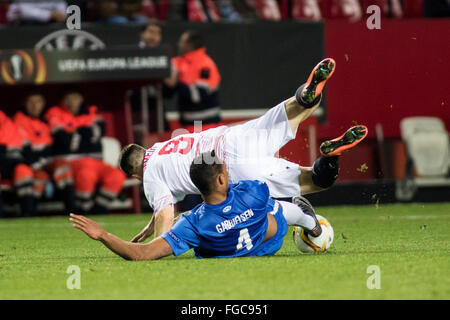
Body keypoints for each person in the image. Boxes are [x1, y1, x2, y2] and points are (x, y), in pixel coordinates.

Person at [119, 58, 368, 241]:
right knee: (300, 109)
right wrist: (150, 225)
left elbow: (165, 214)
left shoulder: (150, 175)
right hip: (235, 138)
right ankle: (306, 93)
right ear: (143, 150)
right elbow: (161, 204)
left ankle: (330, 156)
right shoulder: (161, 148)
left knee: (313, 181)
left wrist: (152, 246)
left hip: (231, 170)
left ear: (135, 174)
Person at [69, 151, 322, 260]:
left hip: (226, 249)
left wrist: (102, 235)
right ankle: (311, 223)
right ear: (222, 178)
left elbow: (141, 254)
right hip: (268, 244)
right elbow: (260, 187)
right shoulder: (252, 191)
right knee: (274, 209)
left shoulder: (191, 224)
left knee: (200, 225)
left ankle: (306, 220)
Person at [44, 88, 126, 214]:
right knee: (87, 174)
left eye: (75, 97)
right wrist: (87, 133)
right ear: (63, 100)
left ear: (81, 99)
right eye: (68, 98)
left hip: (95, 161)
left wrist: (75, 134)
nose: (71, 101)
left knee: (117, 175)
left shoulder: (92, 112)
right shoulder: (55, 113)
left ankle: (99, 210)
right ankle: (83, 210)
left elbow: (100, 131)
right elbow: (63, 139)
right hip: (71, 161)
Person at [14, 91, 76, 214]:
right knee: (36, 176)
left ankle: (73, 213)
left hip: (45, 164)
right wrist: (41, 163)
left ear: (43, 103)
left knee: (62, 166)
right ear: (24, 103)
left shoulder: (45, 122)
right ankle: (29, 214)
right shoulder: (19, 120)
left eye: (38, 102)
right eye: (31, 102)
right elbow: (26, 153)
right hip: (31, 165)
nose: (35, 106)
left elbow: (55, 147)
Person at [164, 30, 222, 131]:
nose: (178, 44)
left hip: (203, 123)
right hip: (187, 122)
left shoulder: (205, 64)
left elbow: (199, 96)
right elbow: (169, 90)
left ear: (190, 45)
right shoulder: (178, 62)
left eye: (181, 42)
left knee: (200, 145)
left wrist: (176, 83)